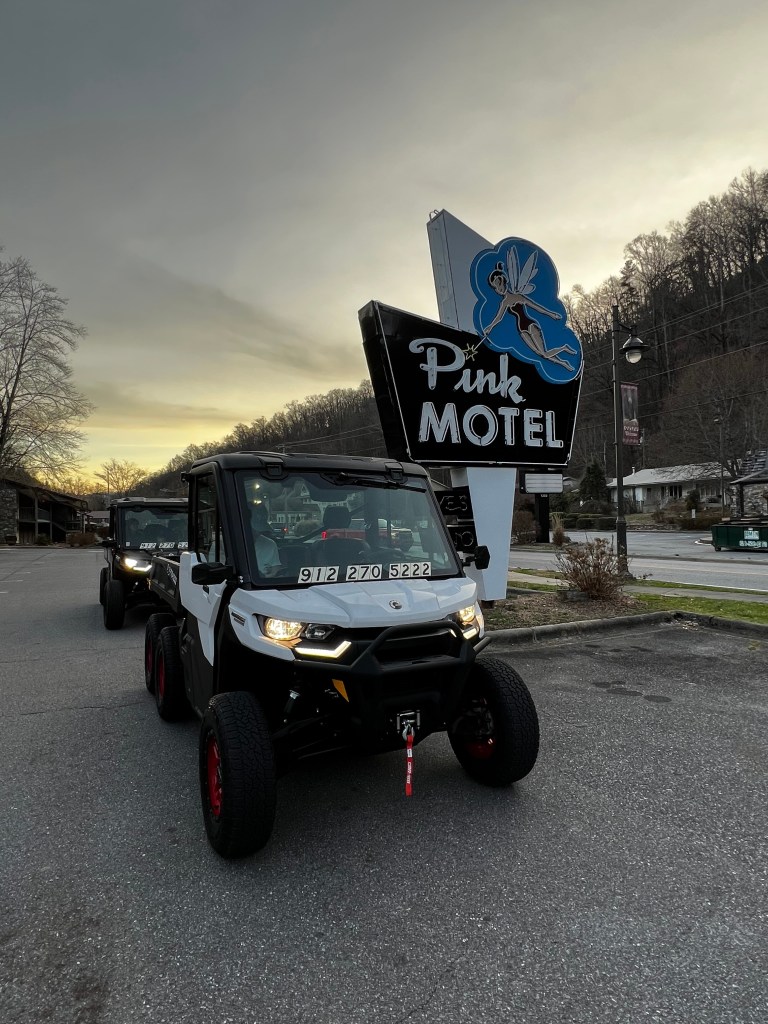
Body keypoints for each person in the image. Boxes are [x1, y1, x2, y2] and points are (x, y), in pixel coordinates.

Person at [250, 505, 281, 577]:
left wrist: (263, 577)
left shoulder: (270, 544)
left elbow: (276, 571)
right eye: (254, 529)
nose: (257, 533)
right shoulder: (230, 546)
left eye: (260, 530)